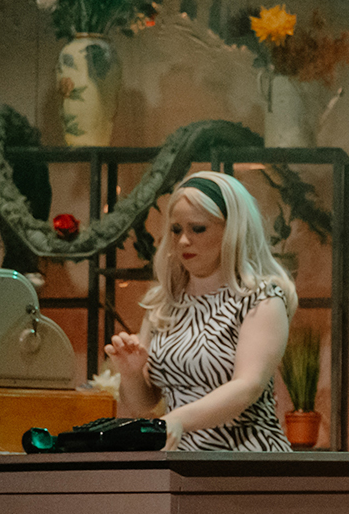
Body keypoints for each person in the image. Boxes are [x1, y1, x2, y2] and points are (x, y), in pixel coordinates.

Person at [104, 171, 297, 450]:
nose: (183, 241)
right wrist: (132, 373)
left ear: (233, 230)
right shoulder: (164, 302)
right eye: (176, 230)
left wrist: (178, 419)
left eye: (197, 229)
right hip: (180, 461)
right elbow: (143, 404)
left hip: (246, 458)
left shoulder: (261, 298)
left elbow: (248, 385)